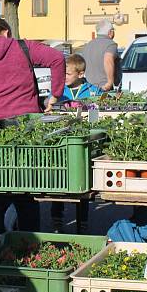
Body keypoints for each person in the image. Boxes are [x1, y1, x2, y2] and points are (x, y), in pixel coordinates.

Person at [0, 17, 65, 233]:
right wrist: (55, 95)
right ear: (2, 32)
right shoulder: (22, 46)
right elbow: (56, 58)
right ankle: (27, 249)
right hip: (27, 129)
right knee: (26, 196)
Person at [50, 53, 101, 232]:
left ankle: (83, 221)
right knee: (60, 180)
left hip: (83, 139)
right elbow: (49, 109)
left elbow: (98, 112)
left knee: (82, 183)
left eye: (68, 74)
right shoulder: (58, 91)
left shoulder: (93, 90)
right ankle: (57, 219)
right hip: (63, 141)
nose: (63, 78)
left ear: (80, 74)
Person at [83, 19, 121, 91]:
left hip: (89, 87)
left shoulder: (88, 45)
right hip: (104, 87)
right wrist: (109, 82)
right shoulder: (110, 44)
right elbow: (108, 60)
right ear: (110, 32)